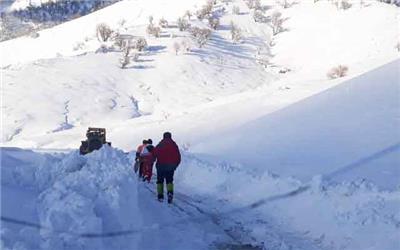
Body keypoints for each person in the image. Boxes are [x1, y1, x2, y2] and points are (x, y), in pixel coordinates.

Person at [153, 132, 181, 203]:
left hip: (160, 166)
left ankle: (160, 196)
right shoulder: (174, 145)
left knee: (160, 181)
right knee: (169, 181)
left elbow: (154, 153)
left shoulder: (160, 144)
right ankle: (170, 193)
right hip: (171, 166)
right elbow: (178, 157)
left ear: (163, 137)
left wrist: (153, 160)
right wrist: (175, 165)